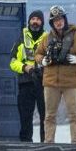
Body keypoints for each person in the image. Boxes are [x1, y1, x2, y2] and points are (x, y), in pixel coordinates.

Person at [29, 5, 76, 142]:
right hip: (50, 82)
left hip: (71, 83)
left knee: (74, 115)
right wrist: (43, 61)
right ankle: (49, 142)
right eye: (55, 20)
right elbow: (37, 54)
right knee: (49, 116)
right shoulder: (47, 38)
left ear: (65, 20)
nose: (58, 22)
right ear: (52, 23)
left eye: (60, 19)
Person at [8, 8, 46, 141]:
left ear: (42, 22)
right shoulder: (21, 39)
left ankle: (46, 145)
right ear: (29, 21)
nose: (35, 22)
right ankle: (26, 145)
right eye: (33, 19)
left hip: (44, 83)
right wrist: (25, 67)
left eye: (38, 19)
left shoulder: (48, 39)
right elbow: (12, 62)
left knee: (46, 118)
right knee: (25, 118)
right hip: (26, 83)